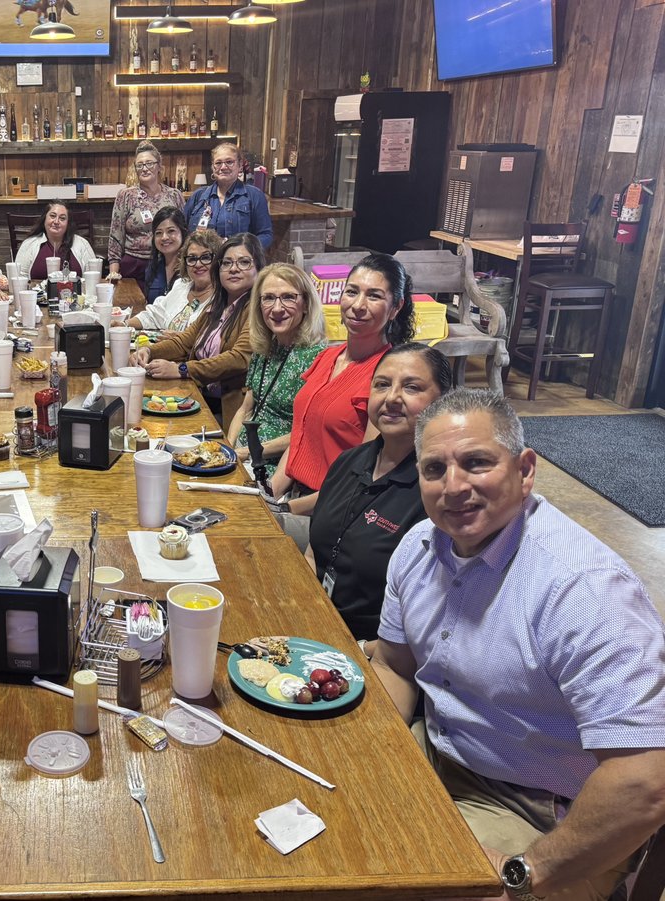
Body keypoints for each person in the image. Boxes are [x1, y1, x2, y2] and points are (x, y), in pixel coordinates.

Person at [372, 388, 665, 901]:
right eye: (434, 469)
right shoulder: (418, 546)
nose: (453, 486)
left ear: (525, 469)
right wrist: (372, 753)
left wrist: (526, 870)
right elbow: (395, 666)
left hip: (544, 813)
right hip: (440, 752)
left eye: (477, 463)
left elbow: (645, 780)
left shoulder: (583, 588)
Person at [305, 343, 451, 644]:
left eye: (411, 387)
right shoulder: (350, 461)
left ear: (442, 401)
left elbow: (428, 623)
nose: (392, 398)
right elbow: (312, 551)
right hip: (313, 618)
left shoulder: (437, 492)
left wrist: (351, 647)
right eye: (382, 385)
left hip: (368, 648)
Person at [271, 252, 416, 530]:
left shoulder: (385, 378)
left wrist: (285, 510)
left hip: (333, 511)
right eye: (352, 292)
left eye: (374, 296)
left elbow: (360, 478)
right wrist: (272, 492)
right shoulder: (327, 357)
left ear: (396, 307)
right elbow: (301, 437)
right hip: (292, 498)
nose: (358, 305)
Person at [130, 233, 265, 432]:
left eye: (244, 262)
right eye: (227, 263)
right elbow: (184, 342)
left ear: (258, 268)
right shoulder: (219, 305)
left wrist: (181, 369)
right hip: (201, 398)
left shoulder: (257, 308)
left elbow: (238, 358)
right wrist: (149, 351)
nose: (234, 269)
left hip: (230, 413)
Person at [226, 263, 327, 477]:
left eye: (288, 297)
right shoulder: (264, 348)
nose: (277, 308)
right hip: (243, 455)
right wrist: (229, 448)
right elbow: (245, 410)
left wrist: (247, 453)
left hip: (276, 467)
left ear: (306, 304)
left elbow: (307, 433)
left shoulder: (319, 358)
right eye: (269, 298)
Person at [106, 141, 183, 294]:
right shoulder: (126, 195)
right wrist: (114, 272)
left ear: (159, 167)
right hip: (134, 264)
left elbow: (183, 231)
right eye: (140, 165)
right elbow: (116, 235)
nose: (144, 168)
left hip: (168, 263)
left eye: (149, 163)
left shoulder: (174, 195)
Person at [182, 142, 273, 248]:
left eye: (229, 162)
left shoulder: (254, 196)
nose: (223, 167)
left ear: (240, 166)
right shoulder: (198, 196)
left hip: (237, 261)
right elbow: (183, 231)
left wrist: (244, 249)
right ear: (212, 167)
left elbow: (266, 235)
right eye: (218, 163)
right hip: (202, 262)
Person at [129, 230, 222, 333]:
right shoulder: (181, 286)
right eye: (192, 259)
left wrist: (179, 341)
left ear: (218, 260)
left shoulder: (223, 298)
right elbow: (154, 316)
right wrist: (124, 324)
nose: (198, 264)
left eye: (206, 257)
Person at [15, 201, 98, 280]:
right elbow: (19, 278)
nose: (56, 221)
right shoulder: (29, 244)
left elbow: (93, 277)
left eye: (62, 218)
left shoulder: (82, 244)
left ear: (68, 223)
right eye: (52, 216)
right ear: (44, 219)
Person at [142, 206, 188, 304]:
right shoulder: (153, 267)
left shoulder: (191, 268)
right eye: (158, 233)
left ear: (182, 232)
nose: (164, 237)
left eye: (171, 231)